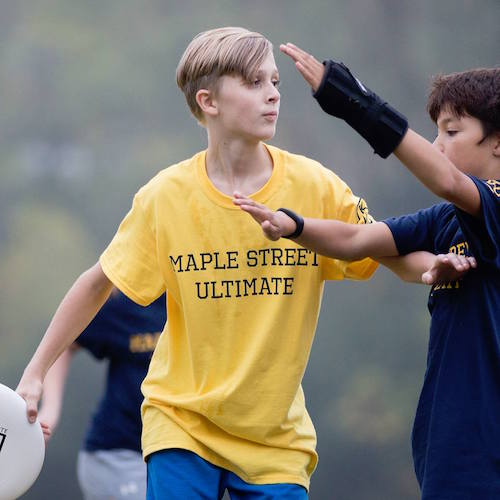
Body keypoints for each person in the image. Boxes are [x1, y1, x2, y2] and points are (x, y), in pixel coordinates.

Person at [15, 27, 471, 499]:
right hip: (181, 424)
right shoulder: (164, 197)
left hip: (275, 439)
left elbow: (383, 249)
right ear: (209, 101)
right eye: (255, 83)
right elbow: (95, 286)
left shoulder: (315, 186)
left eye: (275, 83)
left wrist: (432, 268)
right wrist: (35, 373)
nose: (273, 94)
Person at [234, 43, 499, 498]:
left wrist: (353, 101)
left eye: (451, 132)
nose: (436, 146)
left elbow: (447, 180)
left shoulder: (491, 202)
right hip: (449, 448)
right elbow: (359, 239)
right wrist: (293, 225)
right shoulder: (443, 221)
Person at [38, 288, 165, 500]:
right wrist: (50, 410)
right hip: (117, 456)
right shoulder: (126, 301)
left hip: (172, 454)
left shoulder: (194, 300)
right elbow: (64, 341)